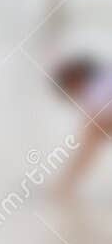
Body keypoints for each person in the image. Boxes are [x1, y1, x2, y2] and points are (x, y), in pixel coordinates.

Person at [49, 55, 112, 193]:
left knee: (93, 131)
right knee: (93, 132)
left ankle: (65, 186)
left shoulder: (99, 88)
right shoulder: (102, 80)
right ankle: (65, 185)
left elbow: (97, 127)